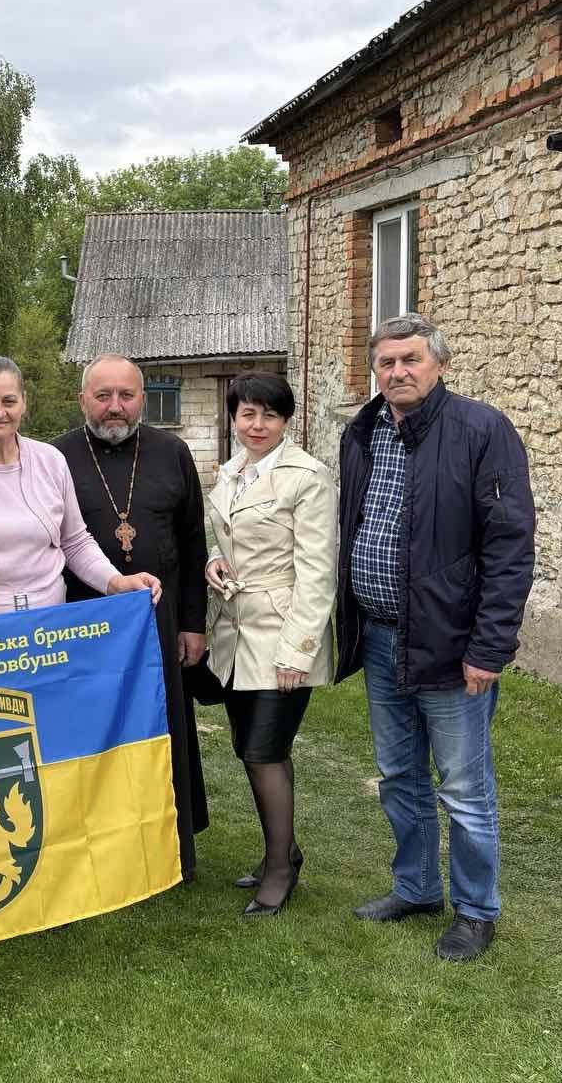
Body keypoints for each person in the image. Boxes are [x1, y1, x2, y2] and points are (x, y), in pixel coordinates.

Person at [337, 313, 535, 962]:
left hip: (453, 645)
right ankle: (417, 887)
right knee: (398, 775)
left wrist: (489, 647)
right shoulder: (362, 432)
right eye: (386, 362)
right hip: (382, 638)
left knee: (463, 784)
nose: (397, 371)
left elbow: (509, 547)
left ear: (439, 365)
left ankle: (477, 909)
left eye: (410, 360)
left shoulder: (482, 431)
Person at [54, 354, 210, 882]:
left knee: (163, 727)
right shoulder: (57, 457)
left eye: (126, 395)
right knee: (94, 734)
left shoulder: (173, 452)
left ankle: (172, 844)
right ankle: (97, 849)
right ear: (83, 401)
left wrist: (194, 622)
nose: (115, 407)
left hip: (159, 621)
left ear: (142, 399)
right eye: (103, 396)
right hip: (84, 620)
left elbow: (192, 541)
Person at [204, 373, 336, 917]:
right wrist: (212, 557)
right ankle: (281, 850)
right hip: (236, 635)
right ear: (233, 418)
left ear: (287, 421)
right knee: (245, 747)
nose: (257, 426)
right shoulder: (231, 472)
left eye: (270, 416)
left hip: (282, 635)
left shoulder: (307, 477)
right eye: (247, 415)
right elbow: (221, 532)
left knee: (265, 751)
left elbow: (318, 572)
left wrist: (297, 652)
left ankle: (281, 869)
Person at [0, 356, 161, 614]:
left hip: (51, 628)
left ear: (23, 403)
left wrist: (116, 582)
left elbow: (75, 542)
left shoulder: (51, 460)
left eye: (9, 401)